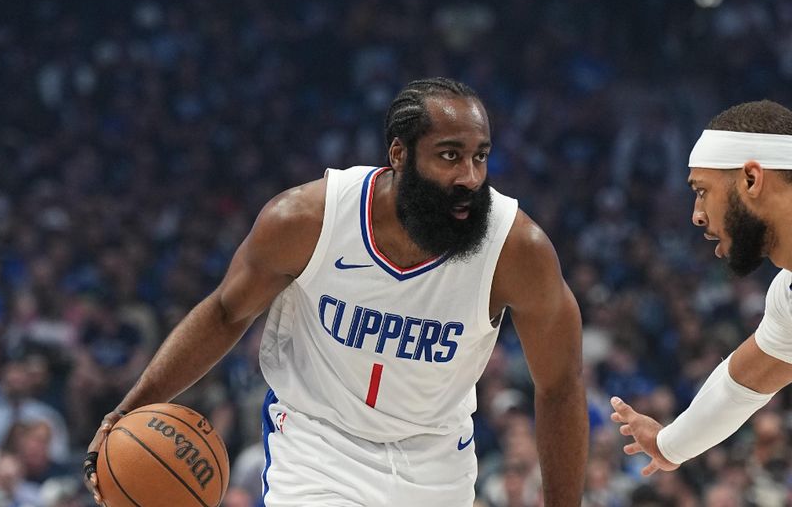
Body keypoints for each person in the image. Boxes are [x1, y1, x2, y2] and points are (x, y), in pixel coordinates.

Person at [83, 77, 588, 506]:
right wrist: (130, 408)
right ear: (399, 154)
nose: (469, 177)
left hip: (437, 459)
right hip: (317, 445)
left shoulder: (516, 248)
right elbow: (225, 314)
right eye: (449, 156)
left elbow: (560, 384)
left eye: (480, 157)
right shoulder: (307, 220)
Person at [611, 100, 792, 476]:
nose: (696, 214)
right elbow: (744, 382)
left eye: (703, 190)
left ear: (751, 180)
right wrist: (670, 445)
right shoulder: (787, 294)